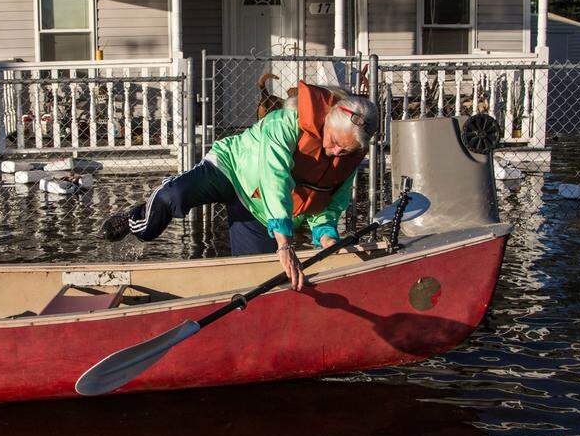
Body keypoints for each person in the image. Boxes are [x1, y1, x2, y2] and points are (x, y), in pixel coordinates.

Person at [102, 82, 379, 291]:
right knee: (172, 197)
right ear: (326, 121)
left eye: (345, 150)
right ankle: (133, 219)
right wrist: (284, 243)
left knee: (256, 281)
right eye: (333, 142)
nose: (334, 153)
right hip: (231, 168)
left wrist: (327, 236)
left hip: (258, 210)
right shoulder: (283, 124)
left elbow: (327, 205)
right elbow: (274, 178)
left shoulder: (348, 159)